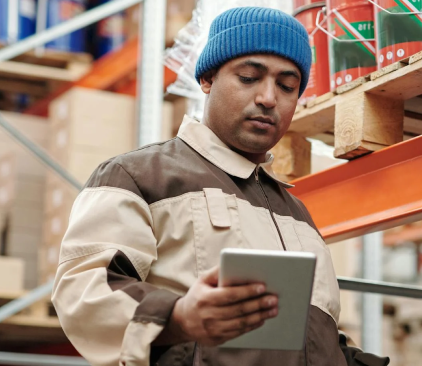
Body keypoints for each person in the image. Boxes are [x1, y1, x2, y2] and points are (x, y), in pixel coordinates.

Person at [52, 6, 389, 366]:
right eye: (248, 77)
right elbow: (83, 291)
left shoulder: (297, 215)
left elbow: (317, 337)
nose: (268, 98)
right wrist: (179, 316)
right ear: (208, 79)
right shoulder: (136, 176)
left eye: (287, 86)